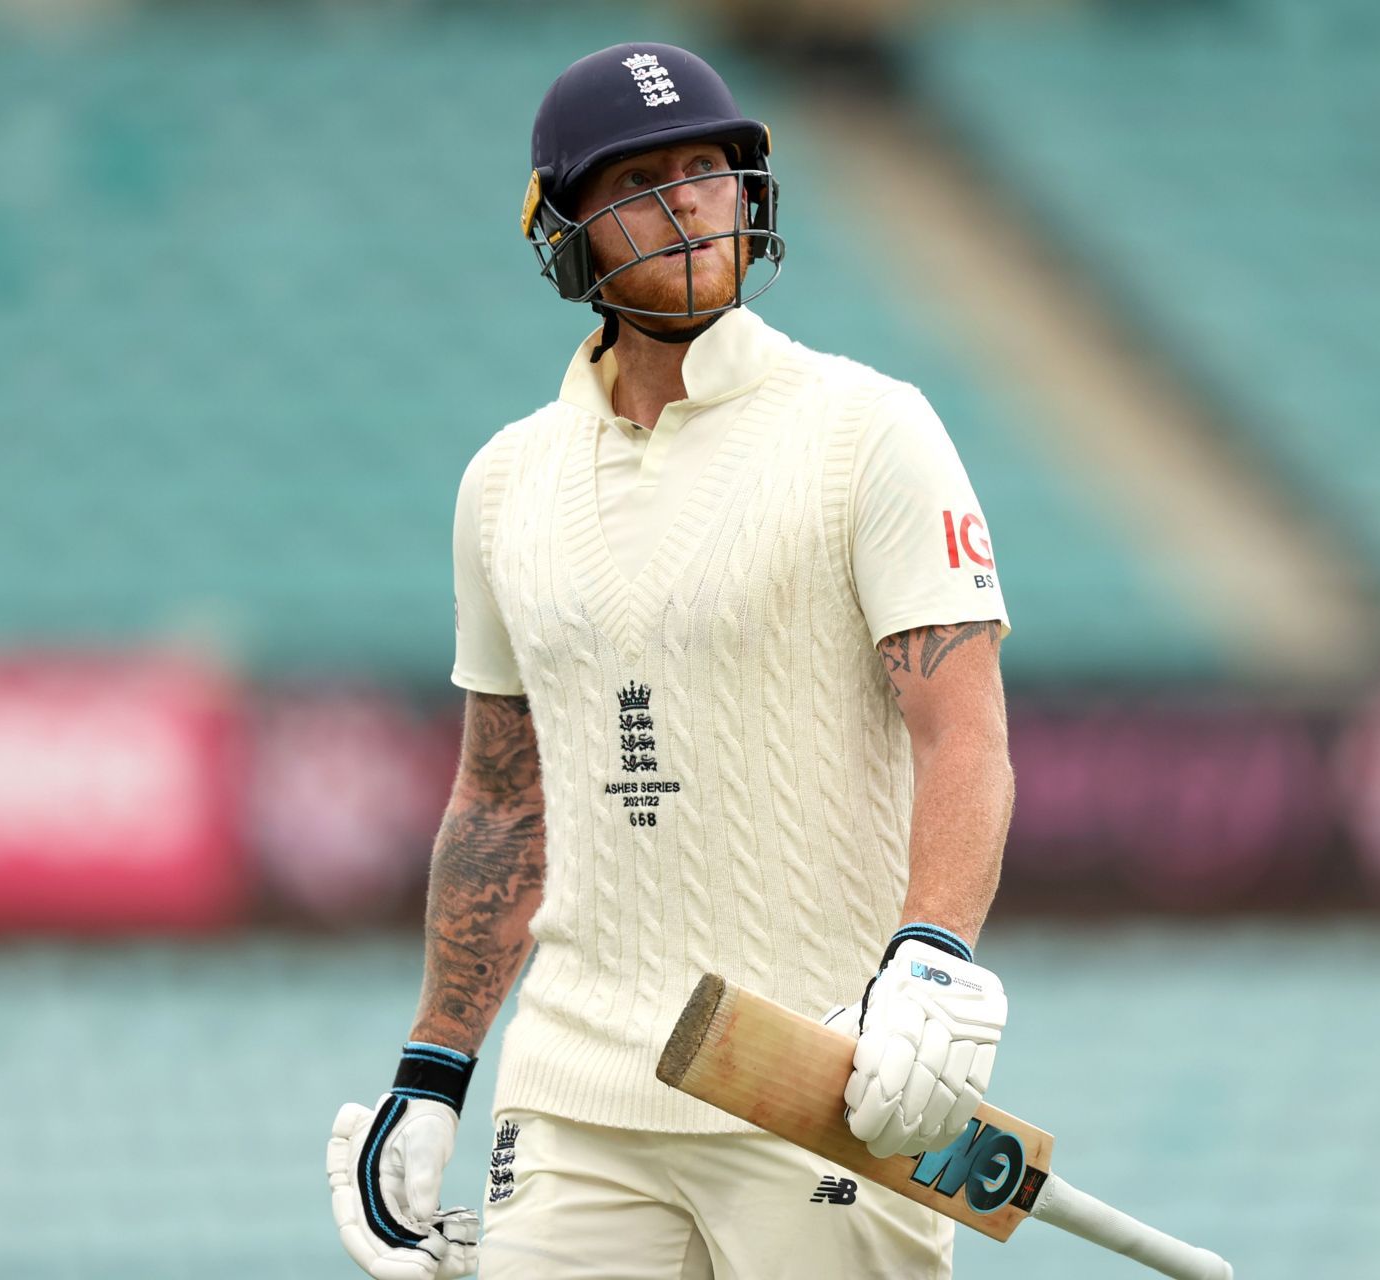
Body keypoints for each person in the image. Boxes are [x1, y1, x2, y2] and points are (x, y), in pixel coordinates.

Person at [327, 41, 1014, 1280]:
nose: (689, 200)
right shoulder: (504, 484)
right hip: (575, 1087)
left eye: (707, 167)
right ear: (570, 233)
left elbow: (962, 733)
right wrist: (434, 1066)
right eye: (640, 180)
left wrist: (933, 953)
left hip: (816, 1075)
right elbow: (500, 795)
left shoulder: (870, 429)